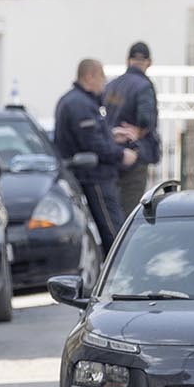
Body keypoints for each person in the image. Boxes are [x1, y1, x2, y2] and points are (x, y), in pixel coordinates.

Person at [54, 57, 134, 249]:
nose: (104, 83)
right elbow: (92, 144)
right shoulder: (80, 104)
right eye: (101, 77)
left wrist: (111, 135)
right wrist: (122, 155)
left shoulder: (78, 101)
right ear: (89, 77)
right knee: (115, 235)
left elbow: (91, 137)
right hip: (95, 177)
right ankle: (122, 272)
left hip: (93, 175)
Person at [104, 41, 161, 211]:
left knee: (113, 207)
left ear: (128, 60)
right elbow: (146, 118)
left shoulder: (112, 86)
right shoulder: (144, 86)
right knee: (130, 209)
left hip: (113, 152)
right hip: (135, 154)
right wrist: (141, 131)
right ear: (148, 62)